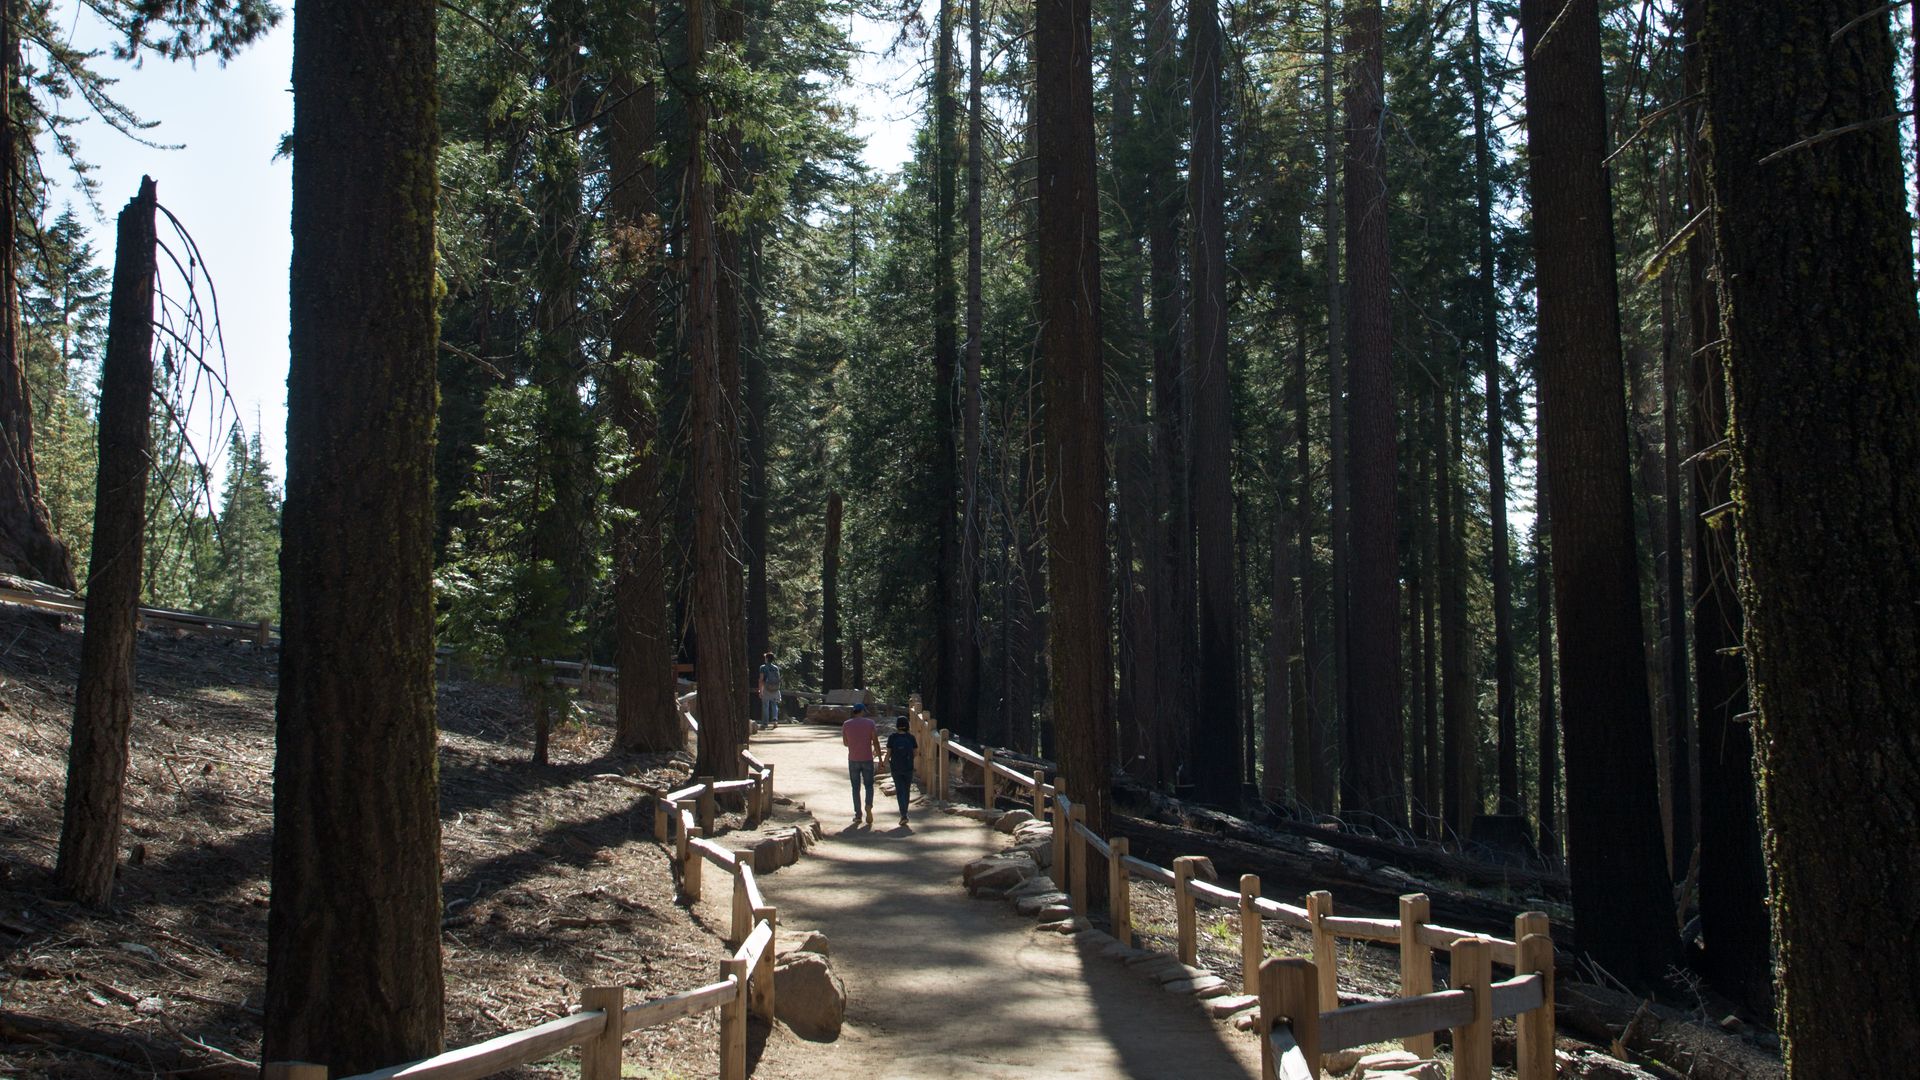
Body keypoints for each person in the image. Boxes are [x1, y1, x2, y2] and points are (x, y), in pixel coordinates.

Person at [841, 703, 882, 827]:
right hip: (867, 758)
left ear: (854, 712)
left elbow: (845, 743)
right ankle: (868, 805)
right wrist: (879, 757)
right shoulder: (870, 723)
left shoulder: (846, 724)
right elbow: (875, 741)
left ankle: (858, 815)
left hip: (853, 759)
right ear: (862, 711)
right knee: (869, 785)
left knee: (855, 787)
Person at [883, 715, 918, 826]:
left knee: (899, 790)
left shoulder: (892, 737)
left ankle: (903, 814)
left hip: (896, 767)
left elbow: (888, 753)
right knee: (906, 790)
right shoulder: (911, 738)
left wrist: (884, 763)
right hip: (908, 767)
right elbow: (915, 752)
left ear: (897, 726)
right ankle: (905, 813)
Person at [756, 652, 782, 731]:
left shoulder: (763, 667)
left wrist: (760, 690)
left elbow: (761, 679)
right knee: (774, 705)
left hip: (766, 688)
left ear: (767, 658)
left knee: (765, 706)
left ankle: (765, 723)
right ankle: (775, 721)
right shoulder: (776, 668)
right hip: (775, 688)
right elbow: (778, 679)